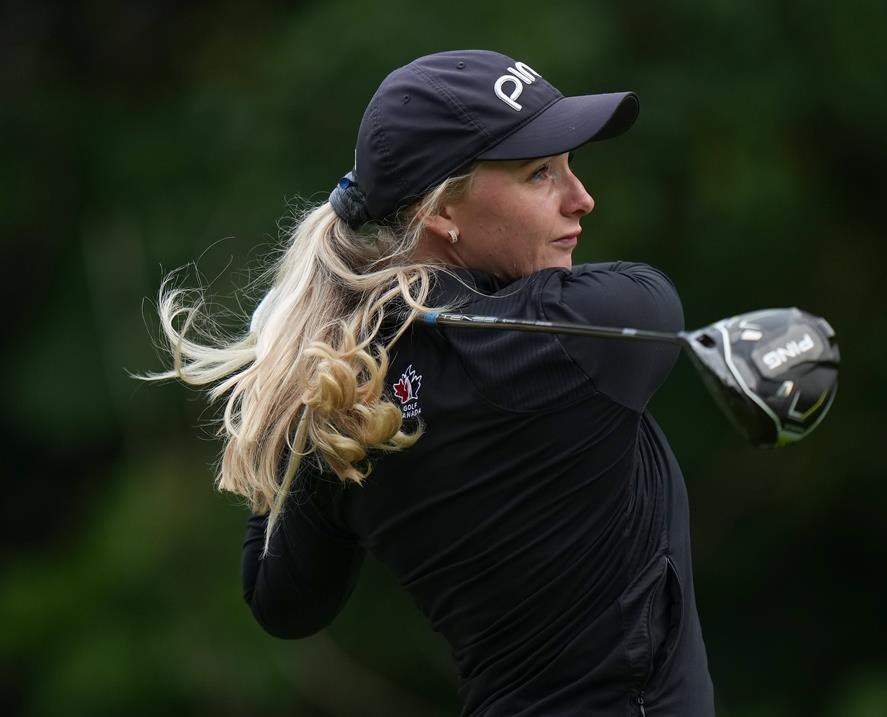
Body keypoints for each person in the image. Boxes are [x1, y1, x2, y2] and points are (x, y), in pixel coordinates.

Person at [149, 49, 714, 716]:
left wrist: (295, 380)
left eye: (569, 167)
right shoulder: (566, 339)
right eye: (540, 174)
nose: (580, 198)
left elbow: (282, 598)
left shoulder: (346, 392)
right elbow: (651, 299)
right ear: (442, 210)